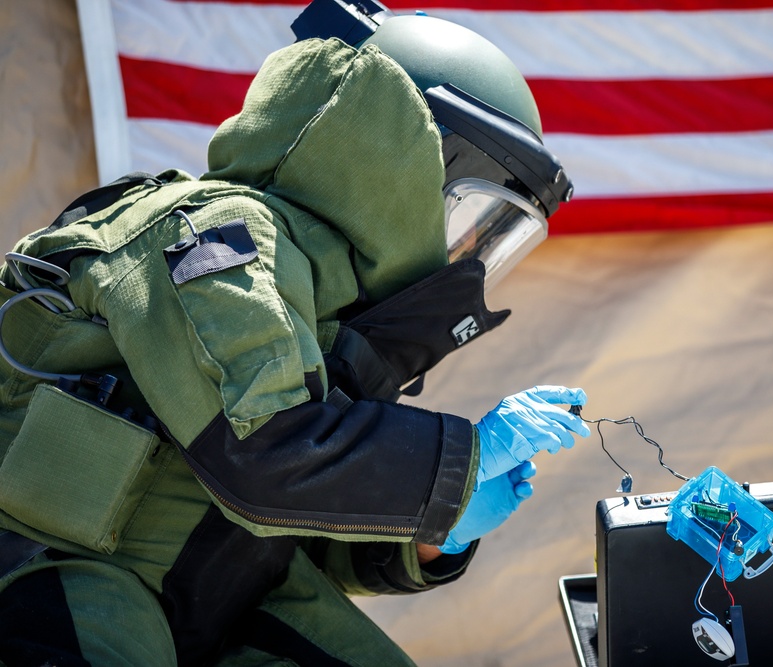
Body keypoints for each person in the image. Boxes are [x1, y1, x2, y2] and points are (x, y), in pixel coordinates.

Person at [0, 1, 589, 664]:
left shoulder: (329, 310)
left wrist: (437, 529)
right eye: (468, 216)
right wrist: (458, 462)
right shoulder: (215, 235)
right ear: (388, 161)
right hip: (55, 577)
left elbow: (298, 526)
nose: (463, 254)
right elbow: (266, 458)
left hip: (195, 599)